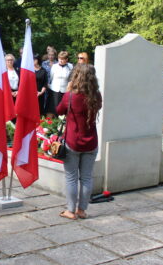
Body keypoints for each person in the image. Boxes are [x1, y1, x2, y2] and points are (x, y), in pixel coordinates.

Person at [56, 64, 102, 220]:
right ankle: (82, 210)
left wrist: (68, 90)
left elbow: (59, 110)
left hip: (72, 142)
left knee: (71, 177)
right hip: (91, 142)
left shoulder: (71, 96)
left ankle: (70, 210)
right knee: (87, 178)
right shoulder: (97, 95)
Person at [48, 51, 73, 118]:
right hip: (55, 89)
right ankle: (54, 121)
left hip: (65, 90)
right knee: (54, 107)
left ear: (66, 60)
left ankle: (62, 122)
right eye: (59, 59)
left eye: (62, 59)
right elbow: (51, 77)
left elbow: (70, 79)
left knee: (63, 107)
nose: (61, 61)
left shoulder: (70, 67)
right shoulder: (54, 66)